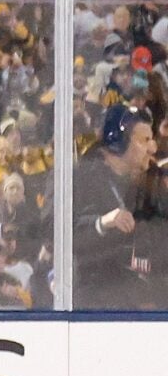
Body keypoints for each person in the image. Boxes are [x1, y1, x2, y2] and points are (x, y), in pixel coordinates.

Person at [74, 110, 159, 308]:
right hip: (96, 304)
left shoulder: (144, 185)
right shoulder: (81, 179)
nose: (153, 148)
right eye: (145, 140)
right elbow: (54, 232)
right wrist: (101, 223)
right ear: (118, 141)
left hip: (134, 296)